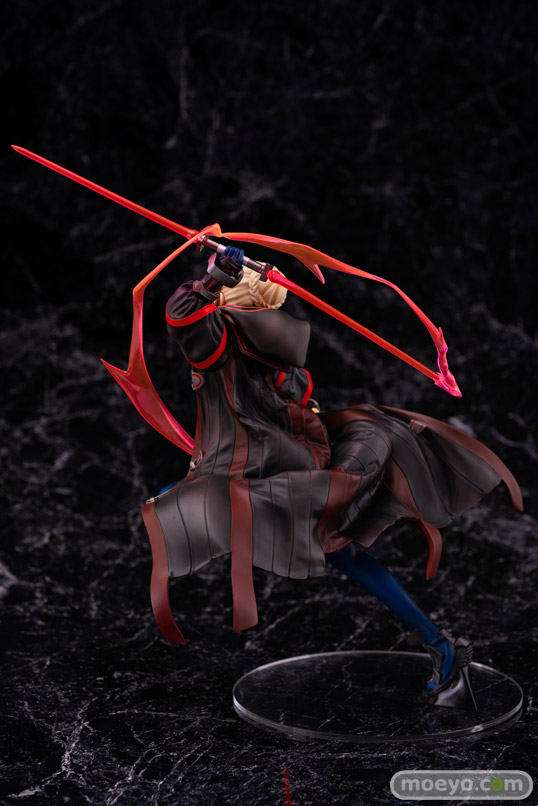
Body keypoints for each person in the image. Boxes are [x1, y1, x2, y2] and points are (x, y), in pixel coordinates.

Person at [142, 246, 522, 709]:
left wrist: (212, 278)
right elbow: (188, 317)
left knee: (182, 507)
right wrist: (215, 278)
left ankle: (441, 647)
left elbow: (182, 315)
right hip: (284, 468)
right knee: (344, 555)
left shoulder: (234, 347)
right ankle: (440, 645)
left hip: (276, 474)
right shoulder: (250, 345)